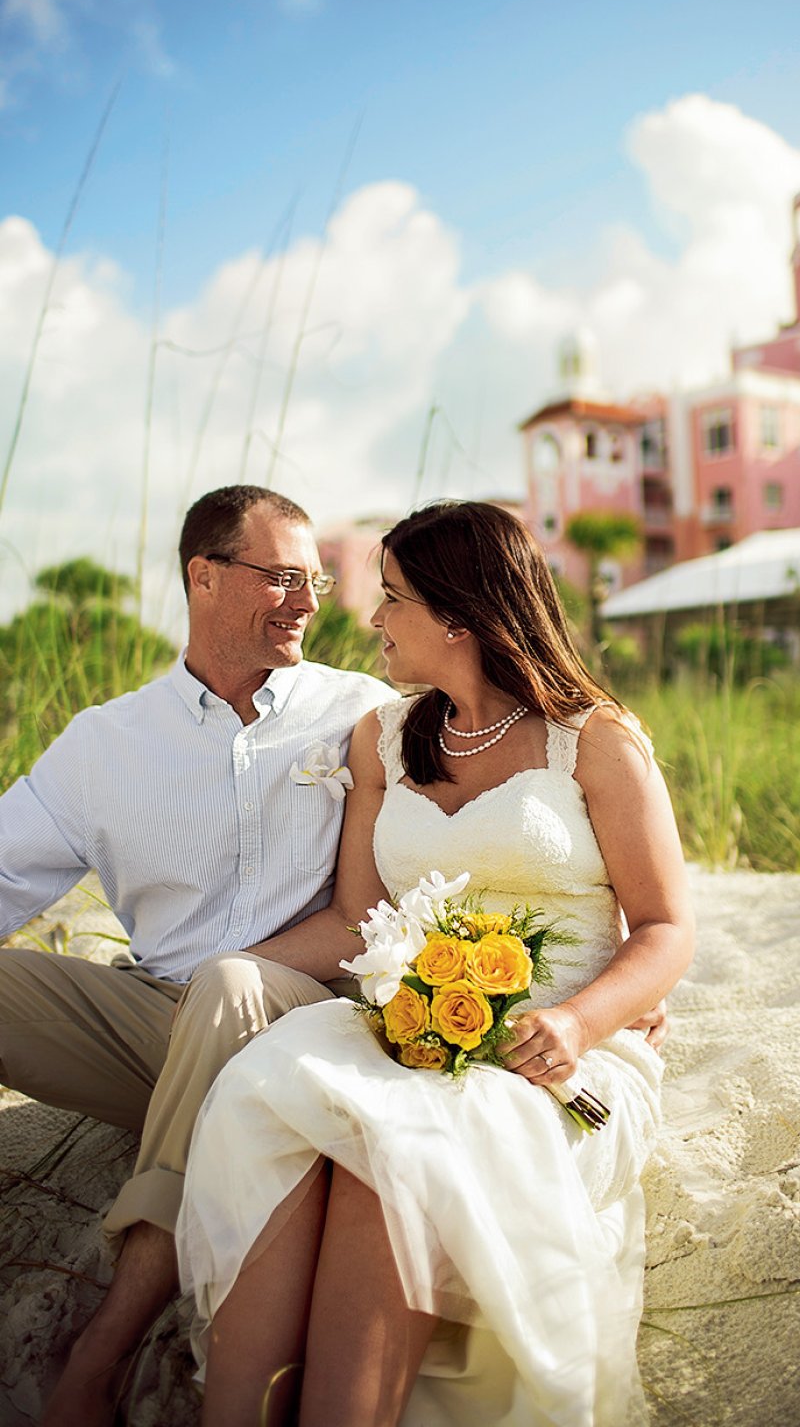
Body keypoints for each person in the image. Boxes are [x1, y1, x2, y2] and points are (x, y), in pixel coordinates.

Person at [176, 499, 694, 1427]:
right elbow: (356, 920)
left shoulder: (595, 741)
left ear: (458, 615)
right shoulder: (384, 741)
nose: (372, 620)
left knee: (393, 1151)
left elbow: (663, 929)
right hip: (406, 1032)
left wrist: (580, 1021)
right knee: (294, 1119)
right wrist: (227, 967)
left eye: (393, 599)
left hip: (559, 1053)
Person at [0, 484, 393, 1427]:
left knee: (226, 986)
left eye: (317, 583)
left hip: (314, 1026)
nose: (305, 603)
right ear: (203, 576)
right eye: (282, 579)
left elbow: (440, 861)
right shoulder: (105, 743)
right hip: (161, 1030)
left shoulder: (365, 711)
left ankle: (104, 1347)